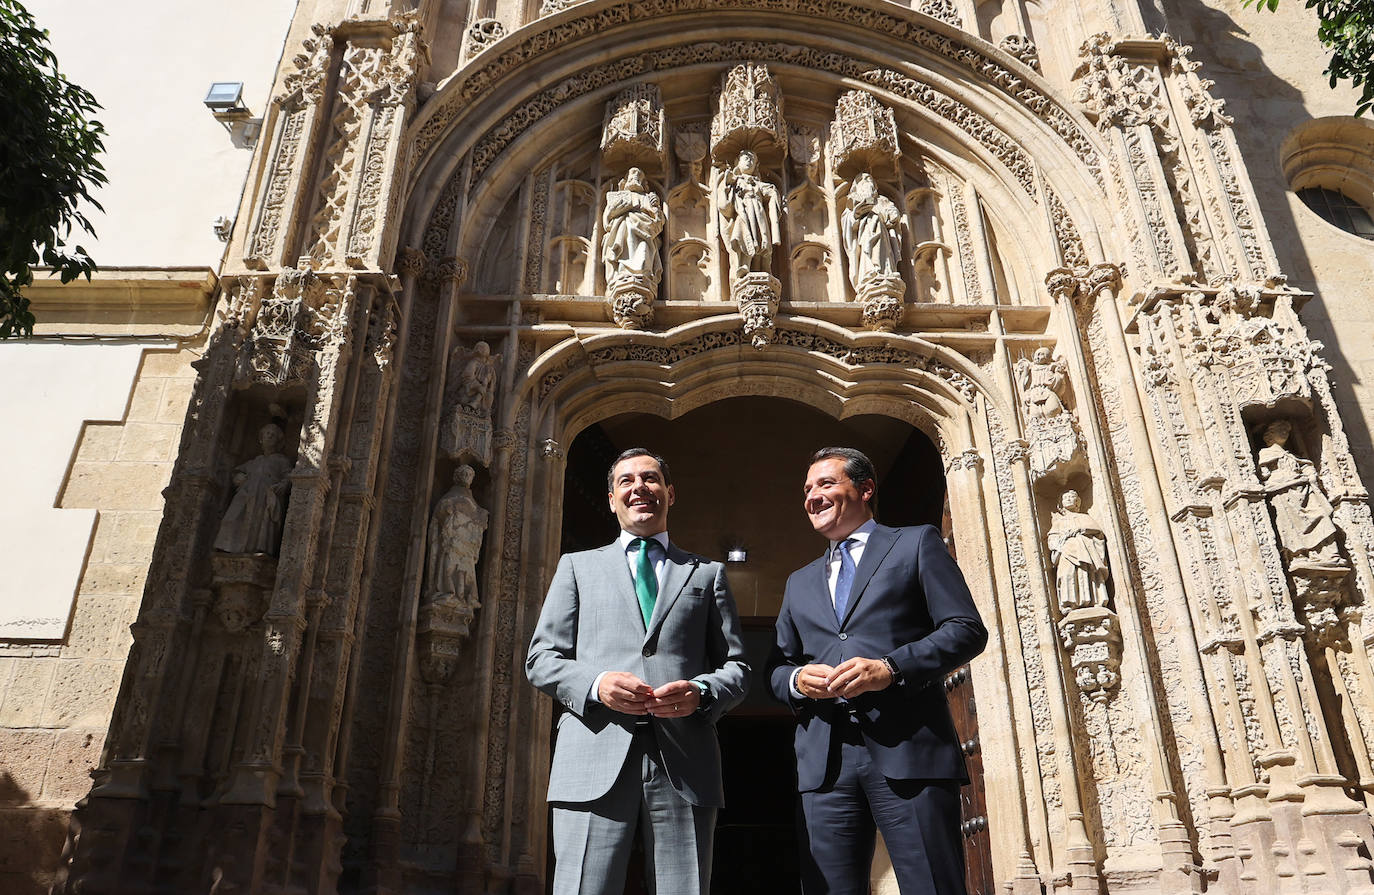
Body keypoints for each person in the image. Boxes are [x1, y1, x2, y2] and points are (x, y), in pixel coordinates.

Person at [526, 448, 750, 895]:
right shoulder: (577, 567)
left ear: (670, 493)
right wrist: (596, 684)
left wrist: (702, 691)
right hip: (593, 758)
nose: (639, 488)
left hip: (684, 763)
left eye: (650, 479)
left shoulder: (706, 574)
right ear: (611, 499)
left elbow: (737, 668)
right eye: (626, 481)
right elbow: (542, 660)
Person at [768, 447, 987, 895]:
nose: (812, 496)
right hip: (825, 764)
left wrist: (890, 668)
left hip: (910, 750)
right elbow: (776, 667)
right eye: (807, 489)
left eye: (826, 484)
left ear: (865, 489)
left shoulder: (915, 543)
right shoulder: (798, 581)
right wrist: (796, 681)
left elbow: (966, 630)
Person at [716, 149, 784, 281]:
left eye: (752, 160)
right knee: (741, 234)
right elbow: (725, 204)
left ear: (756, 166)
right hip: (743, 211)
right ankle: (744, 265)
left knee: (760, 237)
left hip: (758, 212)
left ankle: (759, 268)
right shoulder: (735, 181)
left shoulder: (757, 183)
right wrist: (728, 184)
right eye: (746, 158)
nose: (749, 161)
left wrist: (772, 192)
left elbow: (769, 191)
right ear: (737, 163)